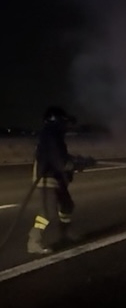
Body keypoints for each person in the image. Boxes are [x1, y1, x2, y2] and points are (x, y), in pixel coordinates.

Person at [27, 105, 83, 254]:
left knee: (67, 205)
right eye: (63, 121)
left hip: (55, 177)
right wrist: (77, 164)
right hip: (46, 178)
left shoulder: (54, 135)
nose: (66, 125)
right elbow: (60, 162)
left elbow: (61, 157)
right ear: (56, 121)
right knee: (47, 213)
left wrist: (78, 160)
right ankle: (34, 241)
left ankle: (65, 233)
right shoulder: (50, 135)